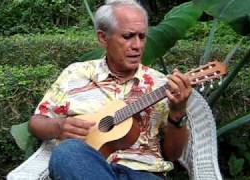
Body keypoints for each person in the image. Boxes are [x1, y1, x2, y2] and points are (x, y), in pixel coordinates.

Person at [28, 0, 192, 179]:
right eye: (128, 36)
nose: (137, 45)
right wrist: (58, 126)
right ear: (103, 38)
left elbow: (173, 155)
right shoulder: (76, 73)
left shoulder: (161, 84)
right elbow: (36, 123)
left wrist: (178, 113)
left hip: (143, 173)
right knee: (67, 151)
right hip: (86, 168)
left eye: (142, 36)